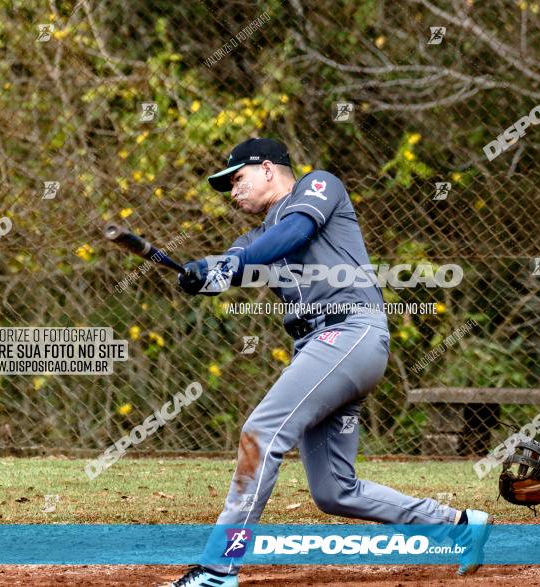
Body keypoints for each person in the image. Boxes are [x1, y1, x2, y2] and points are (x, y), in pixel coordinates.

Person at [171, 137, 490, 586]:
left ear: (267, 168)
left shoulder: (318, 186)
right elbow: (238, 266)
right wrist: (200, 275)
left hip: (349, 332)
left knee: (260, 435)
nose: (232, 191)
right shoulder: (254, 238)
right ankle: (458, 526)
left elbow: (294, 234)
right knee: (334, 491)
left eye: (237, 179)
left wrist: (224, 262)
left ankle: (219, 567)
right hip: (320, 348)